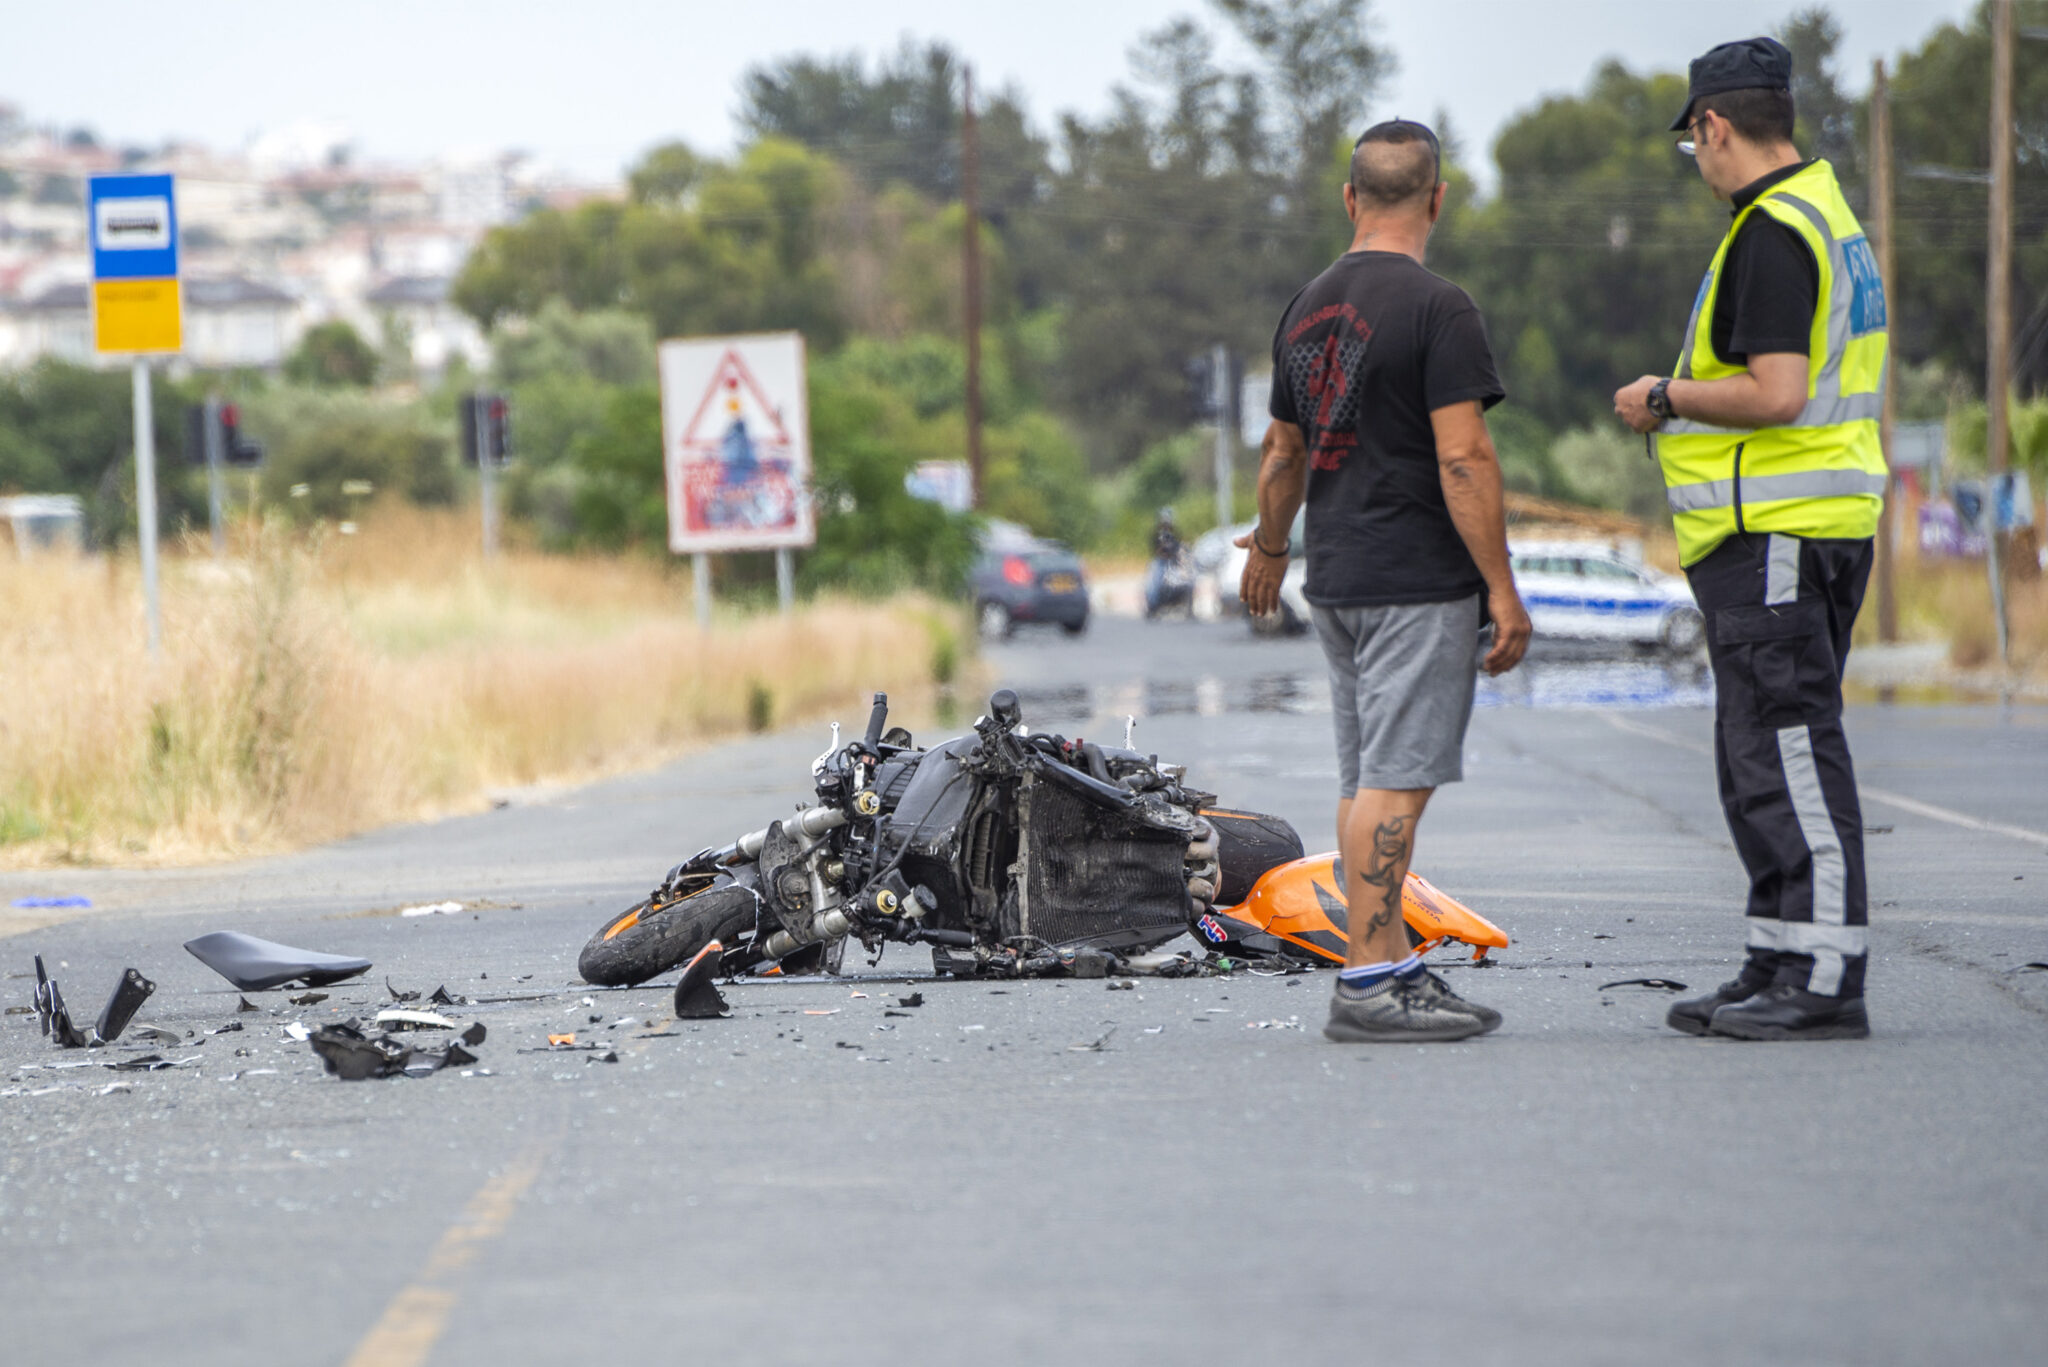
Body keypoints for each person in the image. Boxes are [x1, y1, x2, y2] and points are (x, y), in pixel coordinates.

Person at [1614, 37, 1887, 1041]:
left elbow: (1773, 393)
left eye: (1693, 141)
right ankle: (1777, 949)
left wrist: (1662, 394)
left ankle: (1821, 975)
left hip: (1775, 529)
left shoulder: (1772, 231)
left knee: (1785, 749)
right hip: (1796, 528)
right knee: (1756, 754)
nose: (1698, 158)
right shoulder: (1821, 215)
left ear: (1713, 126)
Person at [1240, 118, 1531, 1044]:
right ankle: (1368, 979)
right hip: (1415, 581)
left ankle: (1389, 963)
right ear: (1438, 200)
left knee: (1367, 778)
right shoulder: (1441, 309)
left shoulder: (1307, 305)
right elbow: (1464, 460)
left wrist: (1270, 548)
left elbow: (1282, 452)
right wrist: (1503, 586)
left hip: (1337, 580)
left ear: (1349, 198)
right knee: (1396, 787)